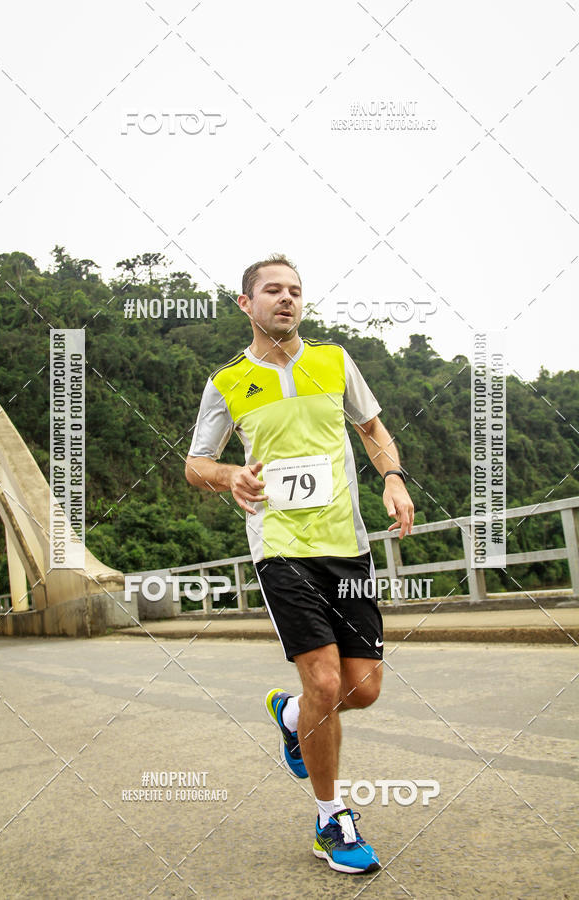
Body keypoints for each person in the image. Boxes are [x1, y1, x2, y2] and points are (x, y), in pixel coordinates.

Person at [185, 253, 414, 875]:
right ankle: (330, 819)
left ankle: (288, 716)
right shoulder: (226, 382)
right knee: (325, 684)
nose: (286, 299)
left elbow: (373, 429)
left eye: (295, 291)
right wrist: (230, 474)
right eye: (272, 291)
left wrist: (391, 477)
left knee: (361, 689)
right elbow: (196, 464)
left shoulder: (334, 361)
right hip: (281, 549)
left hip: (347, 545)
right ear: (245, 303)